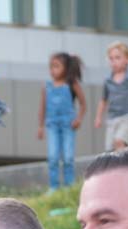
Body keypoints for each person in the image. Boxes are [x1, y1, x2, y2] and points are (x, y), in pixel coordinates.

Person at [37, 53, 86, 192]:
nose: (53, 70)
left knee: (68, 157)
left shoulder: (72, 84)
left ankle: (69, 187)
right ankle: (54, 187)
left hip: (68, 125)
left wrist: (79, 119)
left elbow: (83, 104)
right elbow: (42, 107)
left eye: (56, 66)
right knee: (53, 157)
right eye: (51, 66)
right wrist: (40, 126)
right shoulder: (46, 86)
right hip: (52, 125)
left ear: (65, 68)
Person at [95, 42, 128, 152]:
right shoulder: (108, 81)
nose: (114, 61)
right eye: (111, 59)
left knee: (119, 141)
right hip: (112, 119)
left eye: (117, 58)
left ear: (127, 60)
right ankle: (118, 166)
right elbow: (103, 100)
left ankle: (123, 167)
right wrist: (98, 117)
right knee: (109, 149)